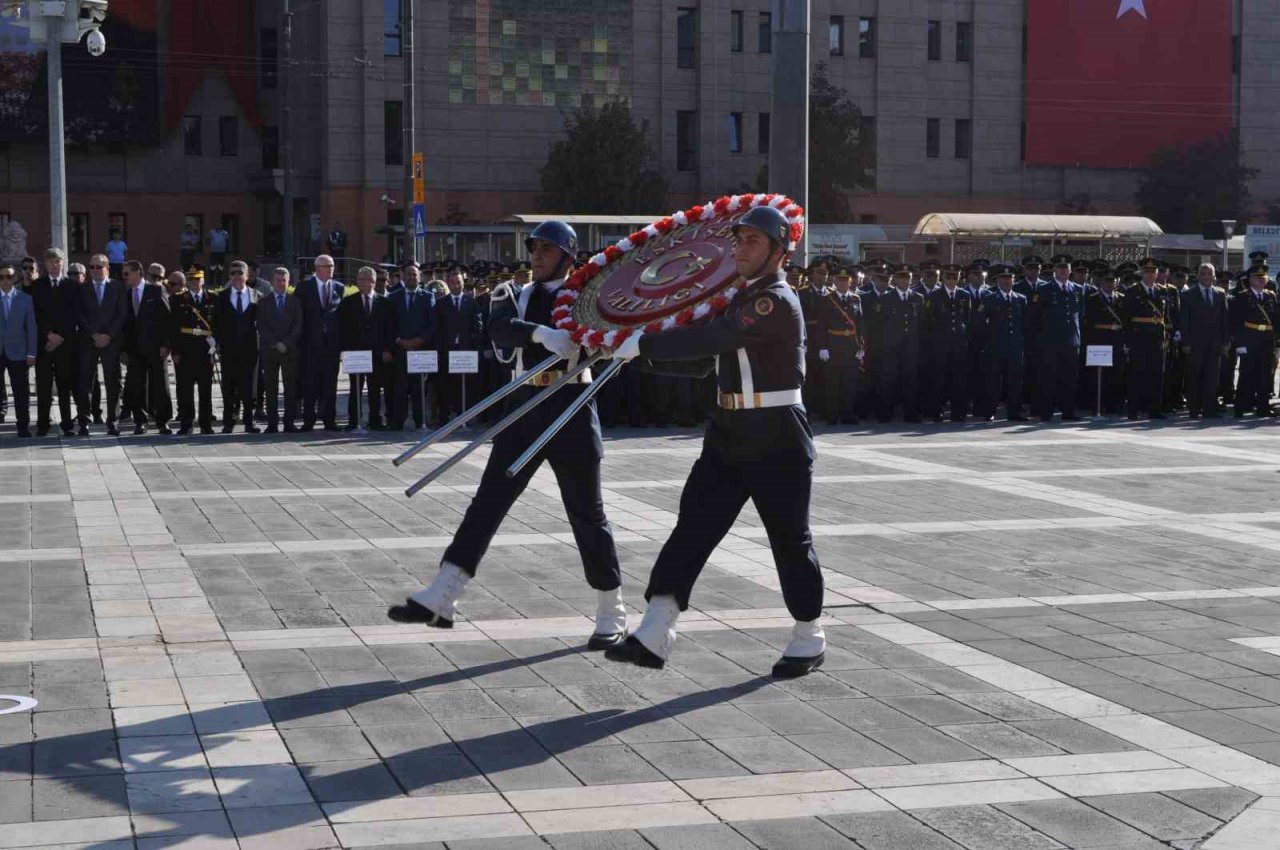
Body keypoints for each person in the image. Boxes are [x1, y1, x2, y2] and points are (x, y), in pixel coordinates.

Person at [603, 206, 823, 678]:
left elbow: (712, 338)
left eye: (752, 242)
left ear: (779, 251)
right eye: (738, 240)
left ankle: (809, 635)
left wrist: (641, 343)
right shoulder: (740, 298)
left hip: (777, 432)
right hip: (728, 430)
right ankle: (655, 633)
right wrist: (627, 354)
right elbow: (703, 362)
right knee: (693, 527)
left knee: (789, 539)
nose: (740, 249)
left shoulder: (774, 300)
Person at [388, 220, 627, 652]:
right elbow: (499, 327)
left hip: (570, 405)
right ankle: (445, 592)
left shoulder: (587, 299)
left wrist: (599, 336)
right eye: (534, 247)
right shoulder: (515, 294)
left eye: (547, 250)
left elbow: (608, 335)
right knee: (487, 503)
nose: (536, 255)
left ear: (568, 258)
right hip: (523, 406)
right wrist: (539, 332)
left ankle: (612, 609)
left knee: (586, 515)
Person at [75, 253, 127, 436]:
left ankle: (112, 421)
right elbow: (79, 315)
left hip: (111, 341)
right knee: (85, 382)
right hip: (89, 340)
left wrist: (108, 335)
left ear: (107, 268)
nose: (95, 270)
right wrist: (93, 334)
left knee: (113, 382)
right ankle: (84, 421)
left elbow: (122, 314)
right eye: (92, 267)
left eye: (98, 267)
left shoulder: (118, 287)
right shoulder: (83, 288)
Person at [29, 248, 79, 436]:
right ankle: (43, 424)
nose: (55, 264)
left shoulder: (72, 286)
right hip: (44, 344)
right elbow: (35, 314)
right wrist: (48, 334)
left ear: (63, 263)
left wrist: (61, 337)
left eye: (58, 261)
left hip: (65, 345)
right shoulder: (37, 286)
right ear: (45, 264)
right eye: (51, 261)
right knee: (43, 386)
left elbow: (75, 314)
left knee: (65, 386)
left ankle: (67, 424)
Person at [1029, 255, 1085, 421]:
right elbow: (1035, 317)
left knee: (1069, 378)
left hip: (1071, 340)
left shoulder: (1077, 289)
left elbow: (1081, 313)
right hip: (1050, 342)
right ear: (1054, 270)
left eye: (1065, 268)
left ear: (1070, 271)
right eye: (1059, 268)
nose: (1062, 271)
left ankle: (1068, 411)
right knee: (1048, 378)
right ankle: (1046, 412)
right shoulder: (1044, 289)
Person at [120, 260, 173, 435]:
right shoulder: (127, 294)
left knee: (160, 384)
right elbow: (125, 324)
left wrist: (166, 344)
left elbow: (166, 319)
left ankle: (163, 421)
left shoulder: (156, 290)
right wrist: (124, 350)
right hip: (135, 349)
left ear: (138, 272)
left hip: (156, 347)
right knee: (137, 385)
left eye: (127, 273)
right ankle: (140, 421)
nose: (124, 276)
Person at [867, 265, 924, 423]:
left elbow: (922, 324)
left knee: (910, 381)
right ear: (895, 279)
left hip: (911, 347)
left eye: (908, 278)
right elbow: (878, 325)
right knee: (888, 381)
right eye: (901, 277)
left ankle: (910, 413)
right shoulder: (886, 298)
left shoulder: (918, 298)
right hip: (891, 347)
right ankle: (885, 413)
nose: (905, 281)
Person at [340, 266, 392, 430]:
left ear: (373, 282)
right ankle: (354, 420)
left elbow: (389, 329)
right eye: (359, 279)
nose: (360, 282)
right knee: (355, 387)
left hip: (377, 353)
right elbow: (344, 328)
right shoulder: (348, 302)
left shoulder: (384, 302)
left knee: (375, 388)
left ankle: (375, 419)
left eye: (364, 279)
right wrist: (346, 350)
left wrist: (386, 350)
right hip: (356, 352)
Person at [298, 254, 345, 431]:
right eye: (327, 266)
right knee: (310, 384)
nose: (331, 269)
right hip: (310, 346)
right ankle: (308, 420)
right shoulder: (304, 288)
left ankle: (329, 420)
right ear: (317, 268)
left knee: (330, 385)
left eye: (332, 266)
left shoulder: (339, 288)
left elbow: (341, 318)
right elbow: (299, 317)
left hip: (331, 347)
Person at [975, 265, 1028, 422]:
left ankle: (1014, 412)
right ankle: (989, 411)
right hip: (995, 346)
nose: (1007, 281)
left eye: (1009, 278)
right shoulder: (988, 298)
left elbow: (1026, 323)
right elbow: (979, 322)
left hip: (1015, 347)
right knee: (993, 382)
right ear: (997, 280)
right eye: (1003, 278)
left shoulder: (1020, 298)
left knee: (1015, 382)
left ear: (1014, 280)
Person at [922, 264, 975, 422]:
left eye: (955, 277)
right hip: (940, 344)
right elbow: (928, 321)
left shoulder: (964, 295)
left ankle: (958, 412)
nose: (952, 280)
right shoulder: (934, 295)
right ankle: (936, 411)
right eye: (949, 277)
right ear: (943, 277)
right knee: (938, 379)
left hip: (959, 344)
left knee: (959, 380)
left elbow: (967, 318)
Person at [388, 261, 436, 430]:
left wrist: (420, 340)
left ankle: (420, 421)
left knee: (419, 388)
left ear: (419, 277)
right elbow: (389, 324)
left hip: (420, 350)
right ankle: (398, 422)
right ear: (403, 276)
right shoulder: (393, 297)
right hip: (400, 349)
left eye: (414, 274)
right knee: (399, 387)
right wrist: (399, 340)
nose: (411, 277)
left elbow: (432, 324)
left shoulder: (428, 297)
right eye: (408, 274)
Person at [1121, 258, 1170, 421]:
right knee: (1137, 374)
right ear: (1142, 273)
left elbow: (1166, 317)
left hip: (1157, 337)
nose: (1150, 274)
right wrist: (1128, 341)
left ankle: (1154, 409)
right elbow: (1125, 318)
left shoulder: (1162, 291)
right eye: (1147, 271)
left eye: (1153, 271)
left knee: (1157, 374)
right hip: (1139, 336)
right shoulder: (1132, 291)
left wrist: (1166, 336)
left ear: (1157, 273)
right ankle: (1133, 409)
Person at [169, 268, 217, 435]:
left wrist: (215, 342)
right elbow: (173, 327)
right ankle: (187, 423)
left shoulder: (212, 298)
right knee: (185, 389)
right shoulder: (178, 299)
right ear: (187, 282)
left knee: (206, 388)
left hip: (206, 349)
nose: (195, 283)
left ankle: (205, 424)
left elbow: (218, 323)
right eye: (192, 280)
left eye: (198, 279)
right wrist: (174, 351)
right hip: (185, 349)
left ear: (203, 280)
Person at [214, 261, 261, 433]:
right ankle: (229, 422)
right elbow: (217, 324)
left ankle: (249, 422)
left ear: (247, 276)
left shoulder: (257, 295)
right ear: (229, 276)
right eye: (233, 273)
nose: (236, 276)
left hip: (250, 350)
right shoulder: (221, 297)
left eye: (240, 273)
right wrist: (215, 344)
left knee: (249, 388)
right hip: (228, 350)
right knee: (229, 388)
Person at [1179, 263, 1229, 419]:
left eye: (1209, 274)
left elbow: (1224, 321)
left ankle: (1210, 409)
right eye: (1203, 273)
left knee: (1212, 377)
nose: (1206, 277)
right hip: (1195, 343)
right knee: (1195, 376)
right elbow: (1184, 321)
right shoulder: (1188, 295)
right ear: (1198, 276)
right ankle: (1194, 409)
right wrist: (1186, 342)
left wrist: (1225, 343)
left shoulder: (1220, 294)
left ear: (1214, 276)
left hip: (1214, 344)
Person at [813, 266, 862, 425]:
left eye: (845, 280)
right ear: (834, 281)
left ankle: (847, 414)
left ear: (850, 282)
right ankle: (831, 415)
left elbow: (860, 324)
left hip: (850, 346)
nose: (842, 283)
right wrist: (823, 347)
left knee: (850, 382)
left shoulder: (856, 299)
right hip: (833, 344)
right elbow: (821, 326)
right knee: (832, 382)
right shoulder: (827, 299)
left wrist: (861, 346)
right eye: (839, 280)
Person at [257, 267, 302, 433]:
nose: (281, 283)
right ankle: (272, 423)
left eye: (284, 280)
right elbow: (262, 326)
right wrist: (276, 343)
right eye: (278, 280)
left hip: (289, 351)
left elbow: (298, 326)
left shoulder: (295, 302)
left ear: (289, 282)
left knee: (290, 389)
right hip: (270, 351)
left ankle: (289, 422)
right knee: (271, 388)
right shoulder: (263, 302)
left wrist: (286, 343)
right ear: (272, 281)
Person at [1229, 262, 1277, 418]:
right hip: (1249, 340)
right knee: (1246, 374)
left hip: (1266, 340)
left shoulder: (1270, 296)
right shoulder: (1243, 297)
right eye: (1257, 278)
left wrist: (1276, 341)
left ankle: (1263, 407)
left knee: (1265, 376)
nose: (1261, 280)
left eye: (1263, 277)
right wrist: (1240, 344)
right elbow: (1236, 323)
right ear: (1250, 279)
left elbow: (1276, 320)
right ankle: (1241, 407)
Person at [434, 265, 481, 422]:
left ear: (463, 282)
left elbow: (478, 325)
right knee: (445, 386)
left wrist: (473, 344)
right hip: (447, 351)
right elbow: (437, 328)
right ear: (448, 283)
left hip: (465, 351)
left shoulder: (471, 302)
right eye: (453, 282)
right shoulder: (441, 303)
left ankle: (464, 417)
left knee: (465, 385)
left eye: (458, 282)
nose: (456, 285)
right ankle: (444, 417)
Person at [1080, 267, 1127, 416]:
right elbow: (1088, 322)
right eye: (1107, 280)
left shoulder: (1121, 298)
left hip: (1117, 342)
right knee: (1098, 375)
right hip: (1099, 341)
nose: (1110, 284)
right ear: (1101, 282)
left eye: (1113, 281)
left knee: (1117, 374)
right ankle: (1097, 405)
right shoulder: (1093, 298)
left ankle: (1115, 405)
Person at [0, 261, 36, 437]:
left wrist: (31, 353)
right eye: (2, 277)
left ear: (15, 278)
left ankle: (23, 426)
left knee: (21, 391)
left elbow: (31, 328)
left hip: (19, 352)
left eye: (9, 276)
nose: (5, 280)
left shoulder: (25, 299)